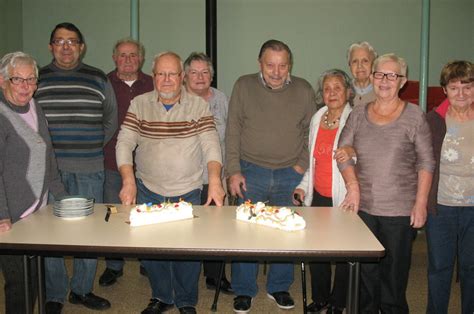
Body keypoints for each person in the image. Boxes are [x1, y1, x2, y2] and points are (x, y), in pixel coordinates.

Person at [116, 51, 225, 314]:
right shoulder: (139, 104)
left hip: (187, 189)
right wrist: (128, 181)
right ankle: (162, 296)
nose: (166, 80)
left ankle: (186, 300)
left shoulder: (198, 106)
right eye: (161, 74)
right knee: (153, 251)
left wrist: (214, 181)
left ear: (182, 77)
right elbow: (125, 141)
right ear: (153, 76)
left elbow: (210, 144)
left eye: (172, 74)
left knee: (187, 252)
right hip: (147, 188)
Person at [337, 53, 435, 313]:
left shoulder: (414, 116)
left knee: (393, 281)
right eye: (380, 74)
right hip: (364, 210)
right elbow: (342, 150)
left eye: (392, 75)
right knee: (366, 280)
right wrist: (353, 186)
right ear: (372, 77)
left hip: (399, 212)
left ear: (402, 81)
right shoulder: (358, 113)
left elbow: (426, 162)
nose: (385, 80)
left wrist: (421, 203)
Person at [226, 39, 316, 313]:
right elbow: (233, 131)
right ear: (259, 64)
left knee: (285, 233)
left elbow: (310, 132)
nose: (276, 72)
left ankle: (278, 286)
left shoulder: (303, 89)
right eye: (270, 65)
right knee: (246, 233)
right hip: (250, 170)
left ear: (290, 65)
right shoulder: (243, 85)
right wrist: (233, 170)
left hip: (290, 172)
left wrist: (301, 166)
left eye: (282, 65)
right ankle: (243, 290)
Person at [34, 22, 117, 312]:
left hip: (89, 168)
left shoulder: (97, 78)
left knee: (88, 233)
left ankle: (81, 290)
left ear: (82, 46)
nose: (66, 47)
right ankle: (55, 293)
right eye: (59, 41)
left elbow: (110, 120)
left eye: (72, 42)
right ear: (50, 46)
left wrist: (90, 145)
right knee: (50, 235)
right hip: (47, 172)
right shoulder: (36, 79)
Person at [0, 52, 66, 313]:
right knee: (18, 284)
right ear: (3, 80)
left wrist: (62, 194)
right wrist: (2, 214)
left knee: (34, 277)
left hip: (38, 210)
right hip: (11, 215)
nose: (26, 86)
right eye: (18, 79)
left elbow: (48, 153)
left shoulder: (35, 106)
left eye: (31, 80)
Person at [293, 69, 354, 314]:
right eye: (327, 88)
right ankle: (320, 299)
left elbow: (362, 158)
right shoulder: (318, 117)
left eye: (337, 87)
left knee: (342, 252)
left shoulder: (355, 119)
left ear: (348, 91)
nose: (332, 93)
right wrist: (302, 187)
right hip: (318, 195)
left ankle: (338, 303)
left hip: (342, 196)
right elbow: (313, 160)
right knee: (316, 250)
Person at [98, 38, 154, 287]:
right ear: (114, 58)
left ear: (141, 58)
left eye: (133, 55)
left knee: (146, 215)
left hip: (147, 165)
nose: (128, 59)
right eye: (123, 55)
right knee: (114, 215)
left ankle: (147, 261)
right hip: (111, 161)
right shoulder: (103, 84)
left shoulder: (153, 84)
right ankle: (114, 265)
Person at [426, 60, 473, 314]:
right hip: (441, 207)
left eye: (468, 86)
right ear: (444, 90)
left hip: (473, 208)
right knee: (439, 268)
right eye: (454, 88)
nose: (462, 94)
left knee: (471, 268)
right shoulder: (433, 120)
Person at [183, 52, 232, 294]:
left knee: (215, 229)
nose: (200, 77)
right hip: (185, 179)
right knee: (188, 230)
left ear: (211, 76)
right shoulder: (178, 100)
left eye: (205, 72)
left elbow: (231, 137)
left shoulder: (221, 99)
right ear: (185, 76)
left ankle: (215, 276)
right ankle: (186, 279)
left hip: (215, 179)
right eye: (194, 72)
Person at [346, 41, 377, 107]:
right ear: (349, 65)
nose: (359, 66)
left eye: (365, 61)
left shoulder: (382, 92)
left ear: (373, 64)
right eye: (355, 61)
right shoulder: (343, 93)